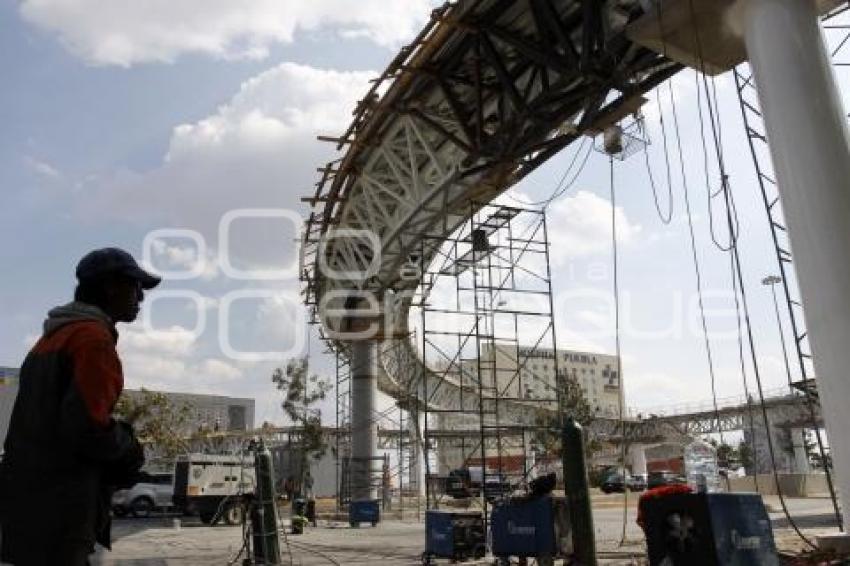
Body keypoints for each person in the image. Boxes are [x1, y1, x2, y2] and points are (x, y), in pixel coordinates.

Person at [0, 247, 160, 565]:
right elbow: (87, 428)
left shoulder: (50, 340)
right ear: (111, 286)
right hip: (62, 509)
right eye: (135, 286)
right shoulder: (92, 341)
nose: (140, 297)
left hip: (28, 507)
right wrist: (128, 448)